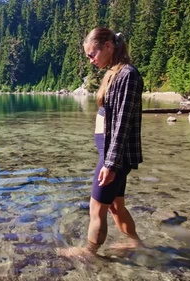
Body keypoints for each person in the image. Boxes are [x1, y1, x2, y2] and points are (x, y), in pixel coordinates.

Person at [60, 27, 144, 258]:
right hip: (111, 155)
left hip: (114, 157)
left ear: (108, 46)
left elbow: (122, 123)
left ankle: (89, 252)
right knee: (116, 206)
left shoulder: (128, 75)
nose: (91, 60)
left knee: (96, 209)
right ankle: (137, 243)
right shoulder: (115, 73)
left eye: (92, 54)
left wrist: (110, 163)